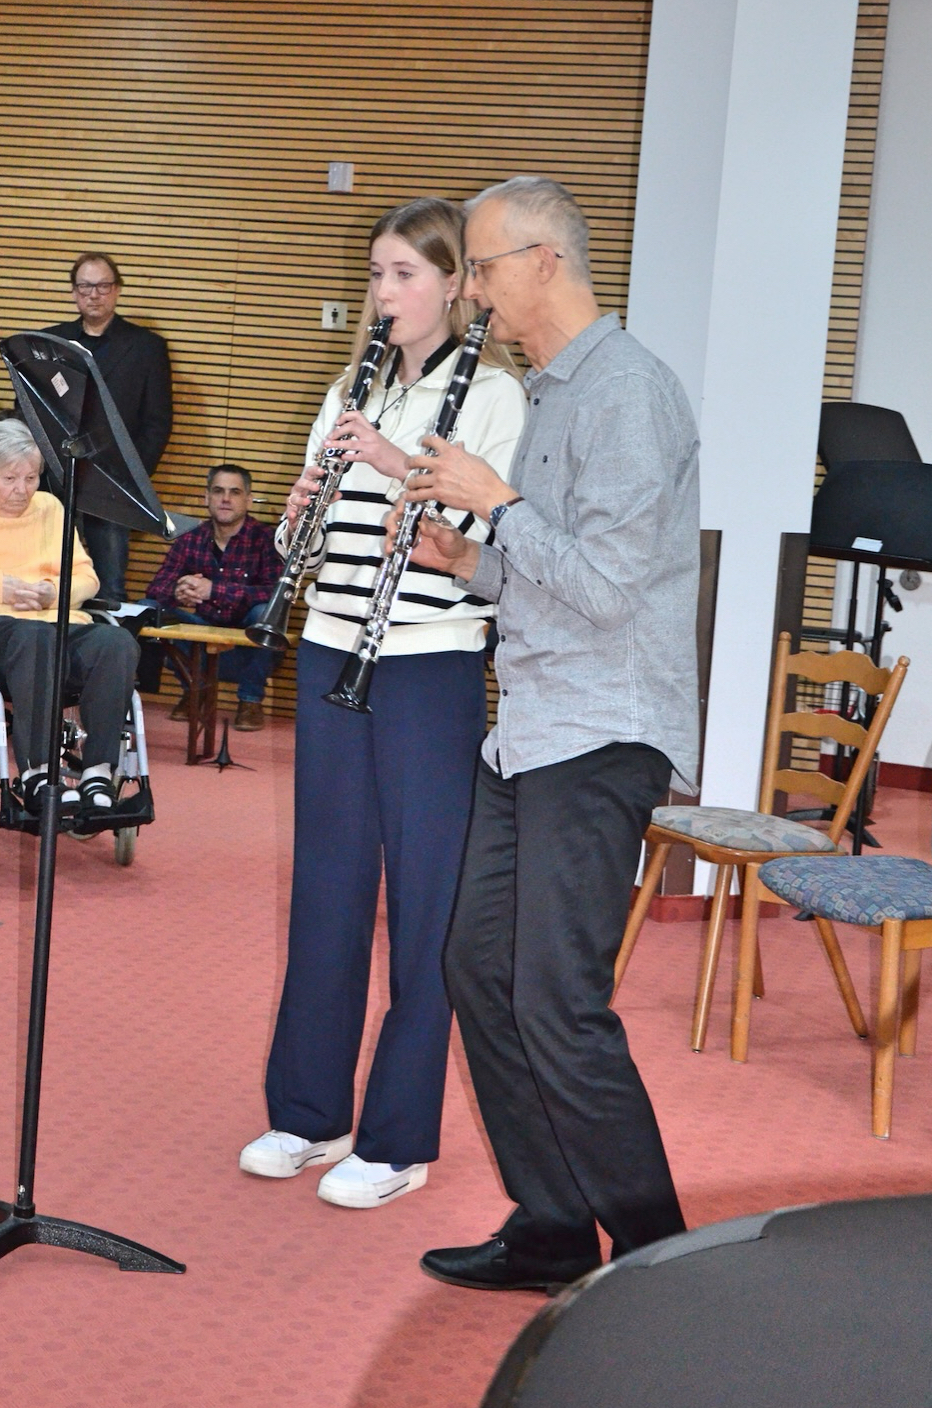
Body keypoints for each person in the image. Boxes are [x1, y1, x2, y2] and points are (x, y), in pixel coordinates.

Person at [393, 177, 700, 1290]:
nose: (472, 291)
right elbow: (554, 573)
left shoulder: (628, 393)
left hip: (602, 726)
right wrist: (471, 559)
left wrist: (496, 502)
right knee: (479, 968)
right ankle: (555, 1227)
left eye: (479, 267)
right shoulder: (553, 393)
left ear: (543, 261)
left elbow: (611, 591)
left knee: (557, 1001)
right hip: (530, 724)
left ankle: (663, 1265)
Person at [238, 196, 527, 1208]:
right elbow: (309, 544)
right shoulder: (348, 388)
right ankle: (308, 1112)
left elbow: (479, 531)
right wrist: (297, 520)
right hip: (332, 647)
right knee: (325, 885)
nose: (385, 292)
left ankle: (398, 1138)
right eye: (376, 274)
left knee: (422, 900)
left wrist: (396, 462)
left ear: (453, 284)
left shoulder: (494, 395)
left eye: (405, 272)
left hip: (428, 663)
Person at [0, 418, 139, 816]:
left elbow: (87, 578)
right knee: (36, 637)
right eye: (10, 478)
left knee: (116, 642)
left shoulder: (51, 509)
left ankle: (97, 771)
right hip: (8, 635)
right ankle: (38, 772)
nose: (22, 489)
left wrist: (54, 592)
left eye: (31, 477)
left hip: (58, 625)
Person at [43, 252, 173, 602]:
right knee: (47, 577)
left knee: (110, 586)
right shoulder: (49, 343)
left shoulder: (147, 347)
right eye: (85, 286)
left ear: (117, 289)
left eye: (102, 286)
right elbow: (30, 410)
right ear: (74, 291)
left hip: (113, 484)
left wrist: (132, 478)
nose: (94, 294)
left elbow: (157, 422)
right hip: (55, 480)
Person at [143, 463, 282, 731]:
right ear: (206, 497)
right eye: (218, 491)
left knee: (267, 612)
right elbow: (156, 589)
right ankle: (196, 689)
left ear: (248, 499)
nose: (225, 499)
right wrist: (178, 590)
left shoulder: (266, 539)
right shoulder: (190, 539)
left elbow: (277, 594)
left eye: (234, 492)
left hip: (248, 648)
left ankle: (250, 701)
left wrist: (213, 590)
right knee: (148, 609)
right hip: (200, 643)